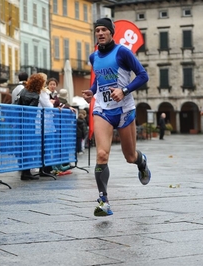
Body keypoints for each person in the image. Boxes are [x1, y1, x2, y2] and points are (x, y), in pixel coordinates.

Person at [82, 17, 150, 217]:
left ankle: (141, 162)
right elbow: (98, 81)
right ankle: (103, 201)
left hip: (124, 110)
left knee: (130, 156)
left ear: (111, 32)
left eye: (104, 29)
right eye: (97, 30)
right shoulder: (93, 57)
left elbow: (142, 75)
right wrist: (92, 91)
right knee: (102, 154)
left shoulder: (122, 52)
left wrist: (125, 90)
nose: (100, 33)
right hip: (103, 109)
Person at [14, 73, 44, 180]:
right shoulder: (35, 95)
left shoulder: (23, 90)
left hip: (20, 123)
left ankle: (24, 171)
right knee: (29, 147)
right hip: (29, 124)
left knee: (23, 146)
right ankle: (26, 173)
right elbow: (32, 113)